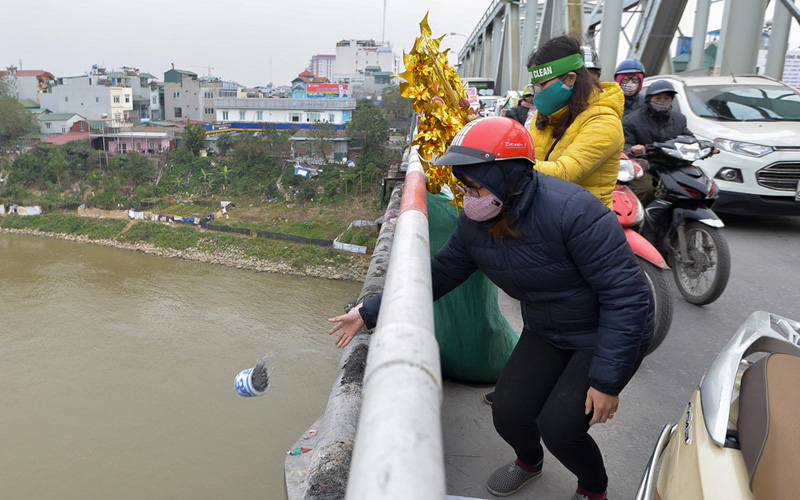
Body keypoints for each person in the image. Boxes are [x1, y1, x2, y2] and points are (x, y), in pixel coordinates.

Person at [328, 117, 654, 500]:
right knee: (509, 411)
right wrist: (368, 312)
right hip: (547, 328)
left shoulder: (574, 213)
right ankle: (529, 462)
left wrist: (606, 381)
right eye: (463, 186)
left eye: (475, 185)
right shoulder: (476, 221)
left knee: (561, 427)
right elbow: (440, 272)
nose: (468, 196)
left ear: (508, 178)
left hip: (603, 333)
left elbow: (628, 297)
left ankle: (593, 488)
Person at [526, 35, 625, 210]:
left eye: (540, 86)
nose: (537, 93)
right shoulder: (546, 114)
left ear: (569, 79)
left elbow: (564, 173)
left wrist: (507, 161)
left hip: (584, 223)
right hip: (546, 215)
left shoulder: (604, 121)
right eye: (534, 87)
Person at [622, 79, 694, 207]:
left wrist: (707, 148)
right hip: (644, 167)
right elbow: (623, 146)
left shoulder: (679, 119)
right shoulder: (631, 121)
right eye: (658, 98)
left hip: (672, 165)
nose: (663, 101)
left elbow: (689, 139)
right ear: (649, 99)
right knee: (645, 190)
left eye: (667, 98)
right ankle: (638, 221)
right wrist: (633, 149)